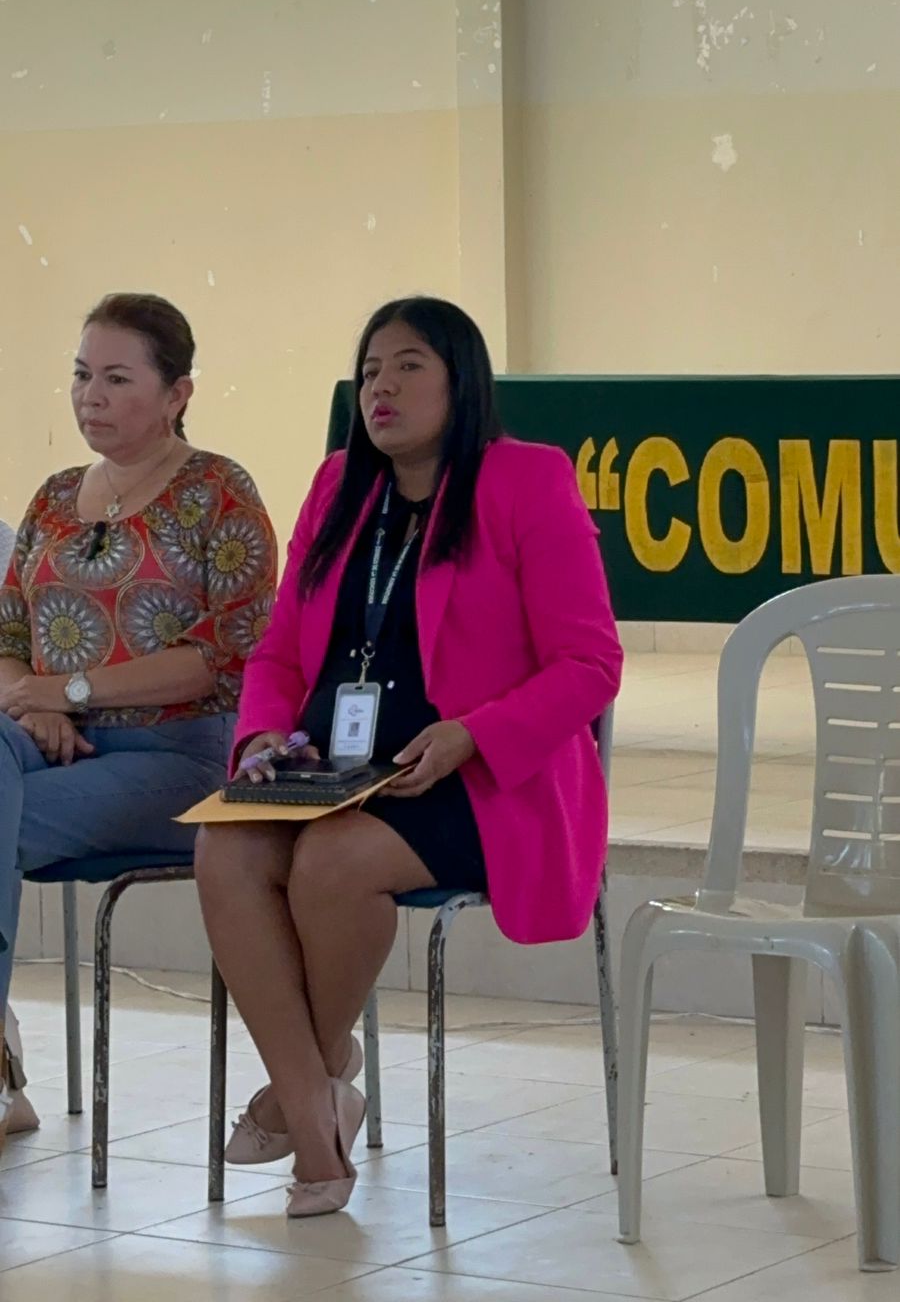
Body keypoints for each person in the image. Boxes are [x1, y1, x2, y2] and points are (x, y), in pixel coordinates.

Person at [195, 295, 623, 1219]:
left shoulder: (526, 479)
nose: (380, 388)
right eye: (369, 372)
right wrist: (262, 735)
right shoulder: (337, 487)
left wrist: (475, 731)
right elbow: (278, 655)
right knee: (224, 848)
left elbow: (590, 664)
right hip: (331, 771)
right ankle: (320, 1105)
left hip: (484, 779)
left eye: (407, 366)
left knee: (334, 861)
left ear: (460, 381)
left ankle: (300, 1108)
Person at [0, 293, 276, 1156]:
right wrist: (33, 701)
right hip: (43, 738)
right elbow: (6, 638)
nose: (92, 395)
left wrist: (71, 692)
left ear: (177, 393)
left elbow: (228, 654)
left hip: (178, 755)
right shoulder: (53, 497)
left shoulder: (218, 491)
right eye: (83, 374)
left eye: (118, 378)